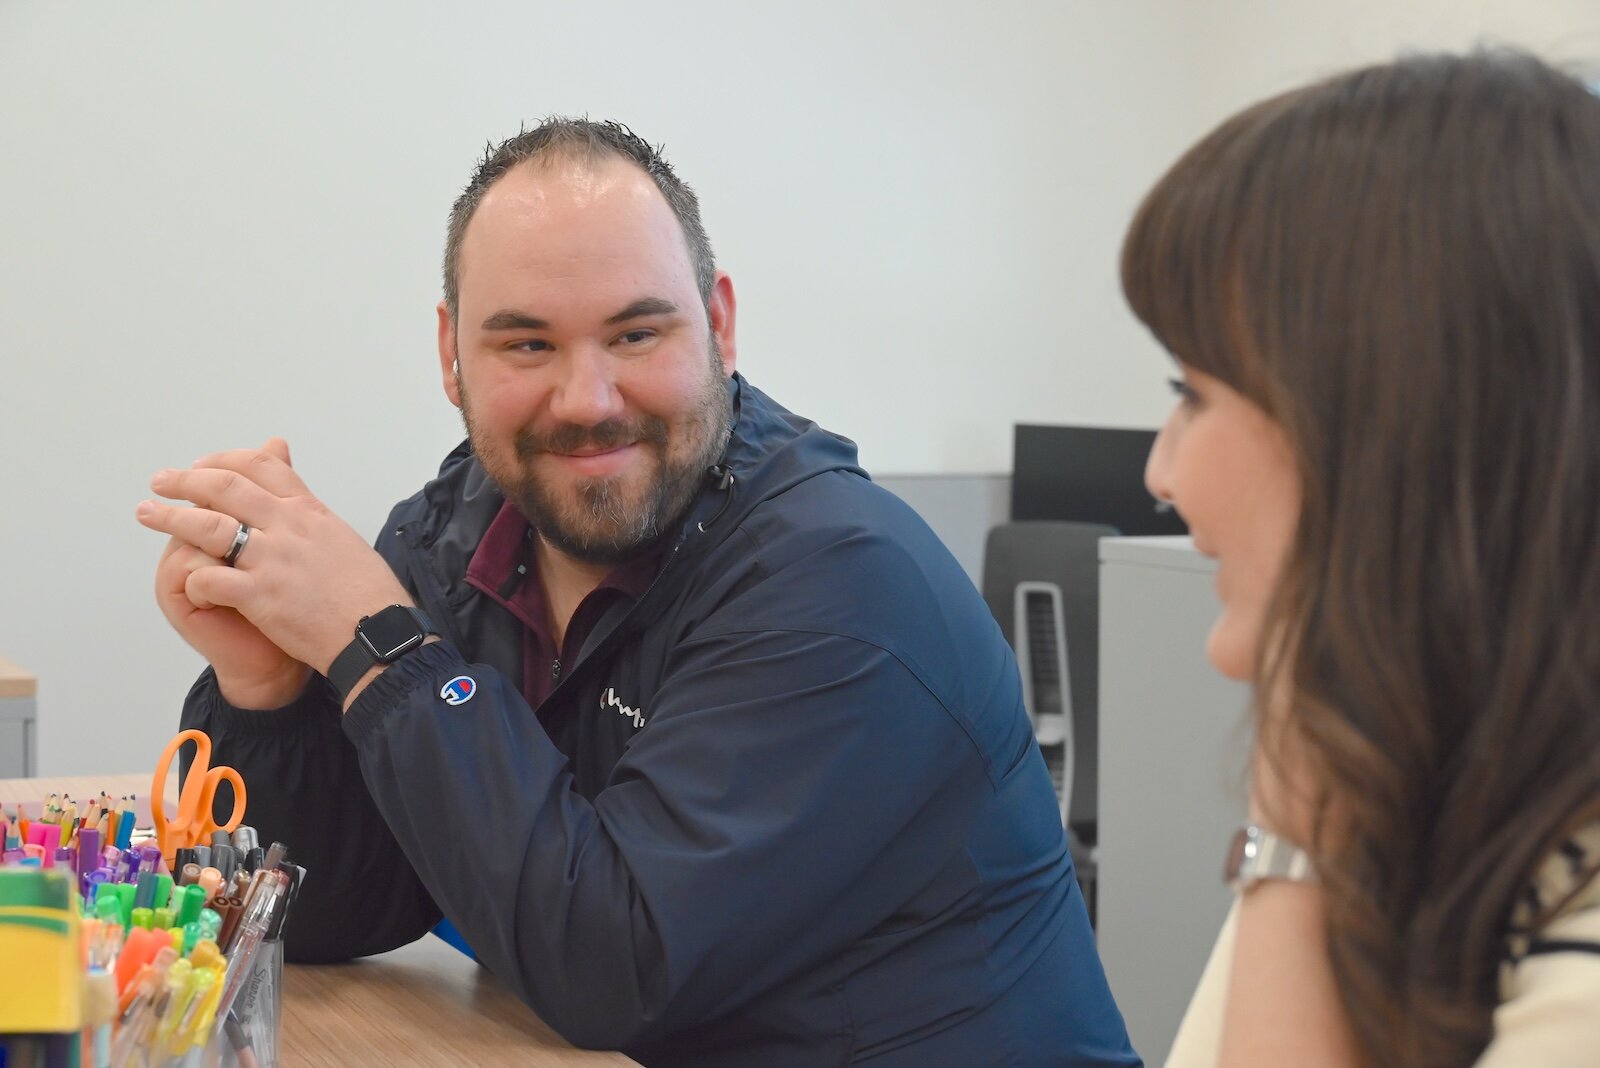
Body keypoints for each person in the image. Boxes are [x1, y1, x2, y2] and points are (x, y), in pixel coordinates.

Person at [136, 120, 1139, 1067]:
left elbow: (612, 963)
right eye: (526, 344)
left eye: (634, 335)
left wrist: (381, 652)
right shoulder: (457, 533)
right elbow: (353, 904)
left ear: (720, 324)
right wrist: (266, 690)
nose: (587, 400)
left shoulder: (840, 586)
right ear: (451, 354)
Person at [1121, 50, 1600, 1067]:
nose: (1161, 471)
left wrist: (1294, 826)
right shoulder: (1401, 808)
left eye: (1195, 392)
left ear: (1398, 438)